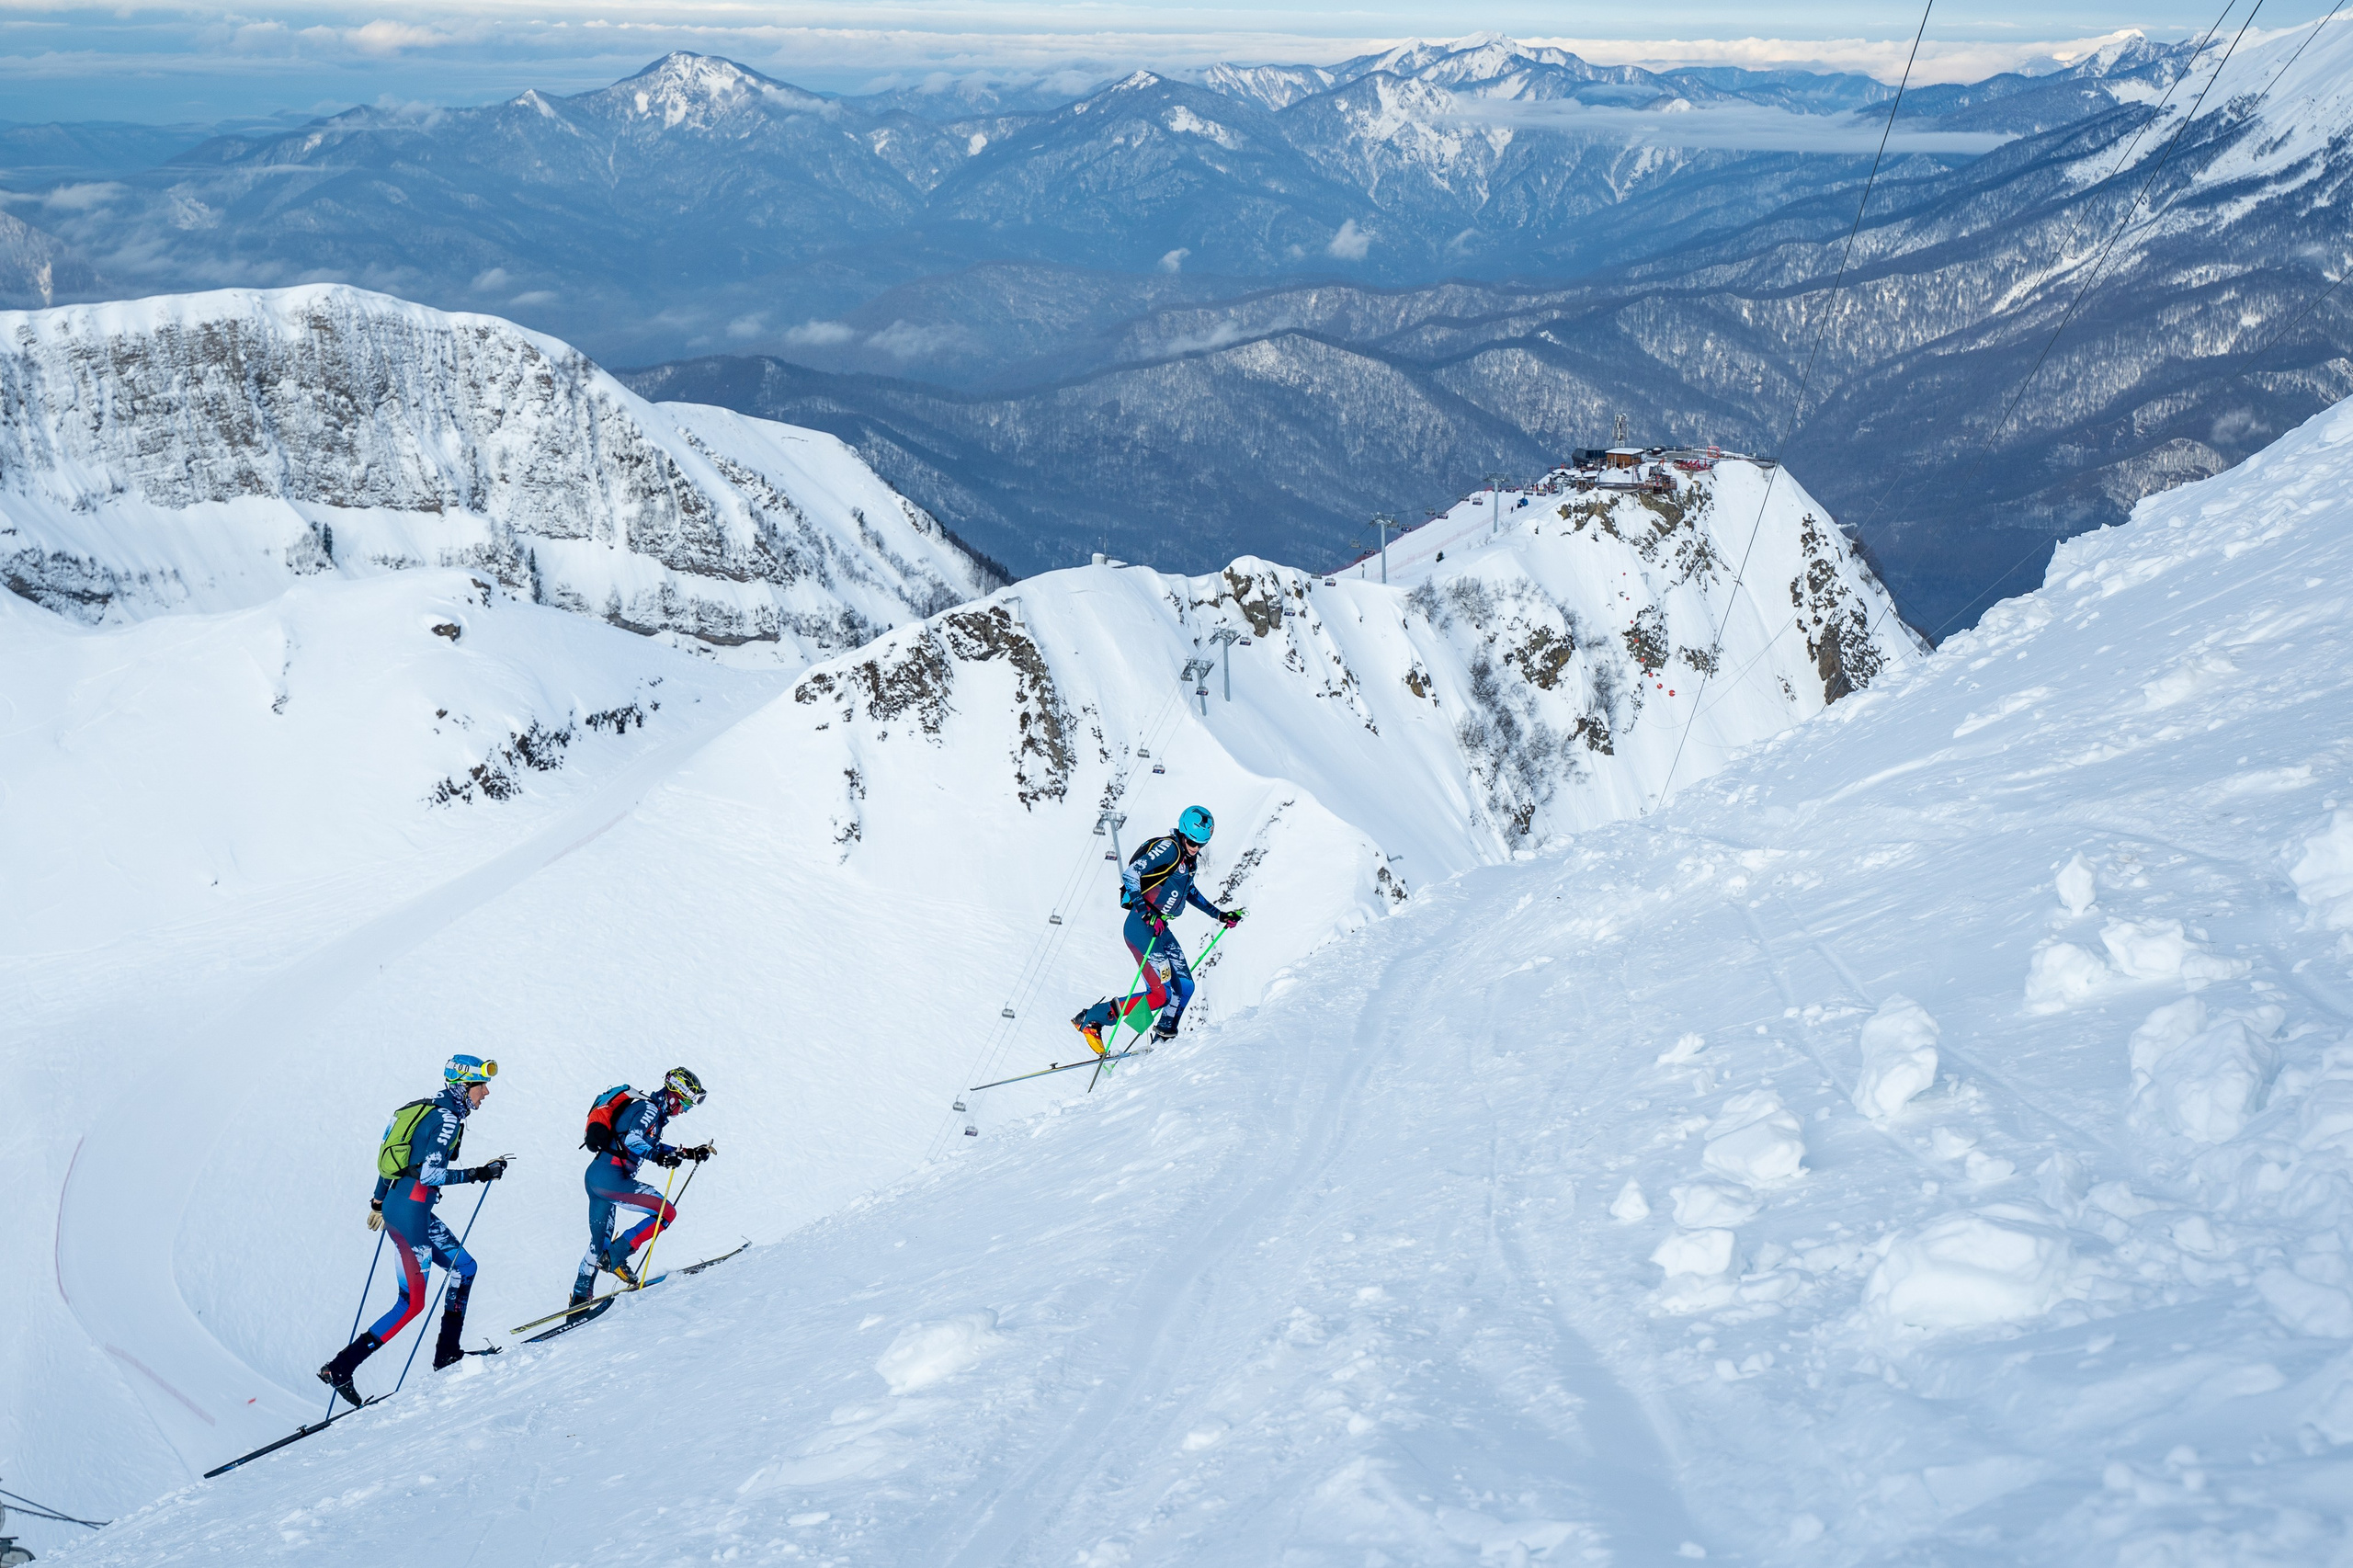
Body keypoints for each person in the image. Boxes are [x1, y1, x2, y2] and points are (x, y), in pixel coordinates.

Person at [317, 1055, 509, 1407]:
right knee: (411, 1304)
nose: (486, 1093)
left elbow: (389, 1161)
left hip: (404, 1207)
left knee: (465, 1268)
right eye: (481, 1086)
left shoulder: (425, 1109)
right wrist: (479, 1174)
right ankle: (340, 1368)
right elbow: (430, 1174)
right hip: (411, 1214)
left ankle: (447, 1353)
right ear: (464, 1086)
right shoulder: (447, 1119)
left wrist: (378, 1202)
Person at [1072, 805, 1243, 1053]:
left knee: (1185, 987)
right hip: (1141, 926)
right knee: (1161, 995)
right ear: (1183, 833)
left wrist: (1219, 914)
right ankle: (1092, 1019)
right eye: (1192, 842)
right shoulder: (1169, 848)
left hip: (1159, 928)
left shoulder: (1189, 862)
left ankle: (1163, 1040)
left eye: (1201, 845)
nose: (1195, 848)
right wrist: (1146, 912)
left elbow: (1189, 892)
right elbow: (1131, 875)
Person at [570, 1067, 711, 1312]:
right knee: (666, 1213)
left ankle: (578, 1306)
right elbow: (632, 1140)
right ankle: (616, 1257)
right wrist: (658, 1157)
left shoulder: (650, 1112)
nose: (686, 1110)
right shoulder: (649, 1110)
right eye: (686, 1103)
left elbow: (649, 1143)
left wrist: (688, 1153)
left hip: (596, 1178)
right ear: (674, 1096)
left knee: (598, 1244)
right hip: (611, 1178)